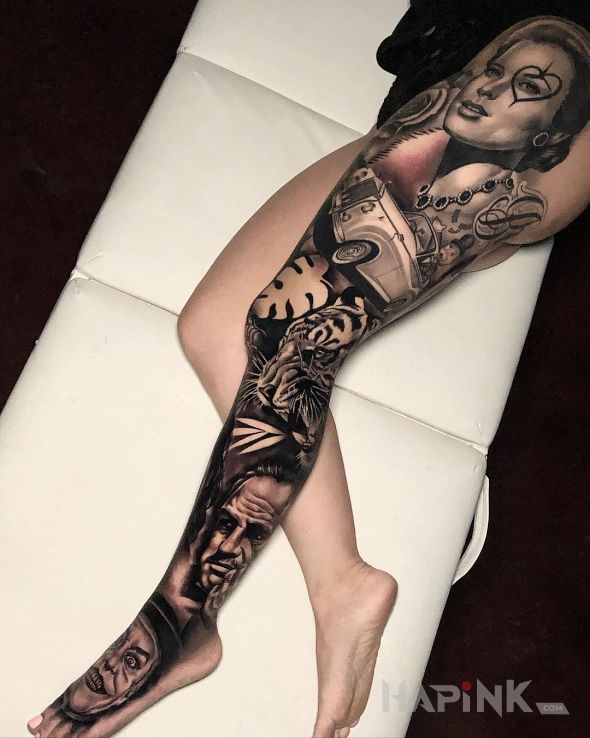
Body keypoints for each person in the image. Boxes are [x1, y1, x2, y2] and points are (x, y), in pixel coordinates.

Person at [26, 10, 590, 738]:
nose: (493, 88)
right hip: (448, 77)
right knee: (214, 328)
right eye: (498, 76)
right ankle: (344, 585)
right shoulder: (465, 101)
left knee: (287, 330)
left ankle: (177, 623)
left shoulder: (536, 114)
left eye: (523, 86)